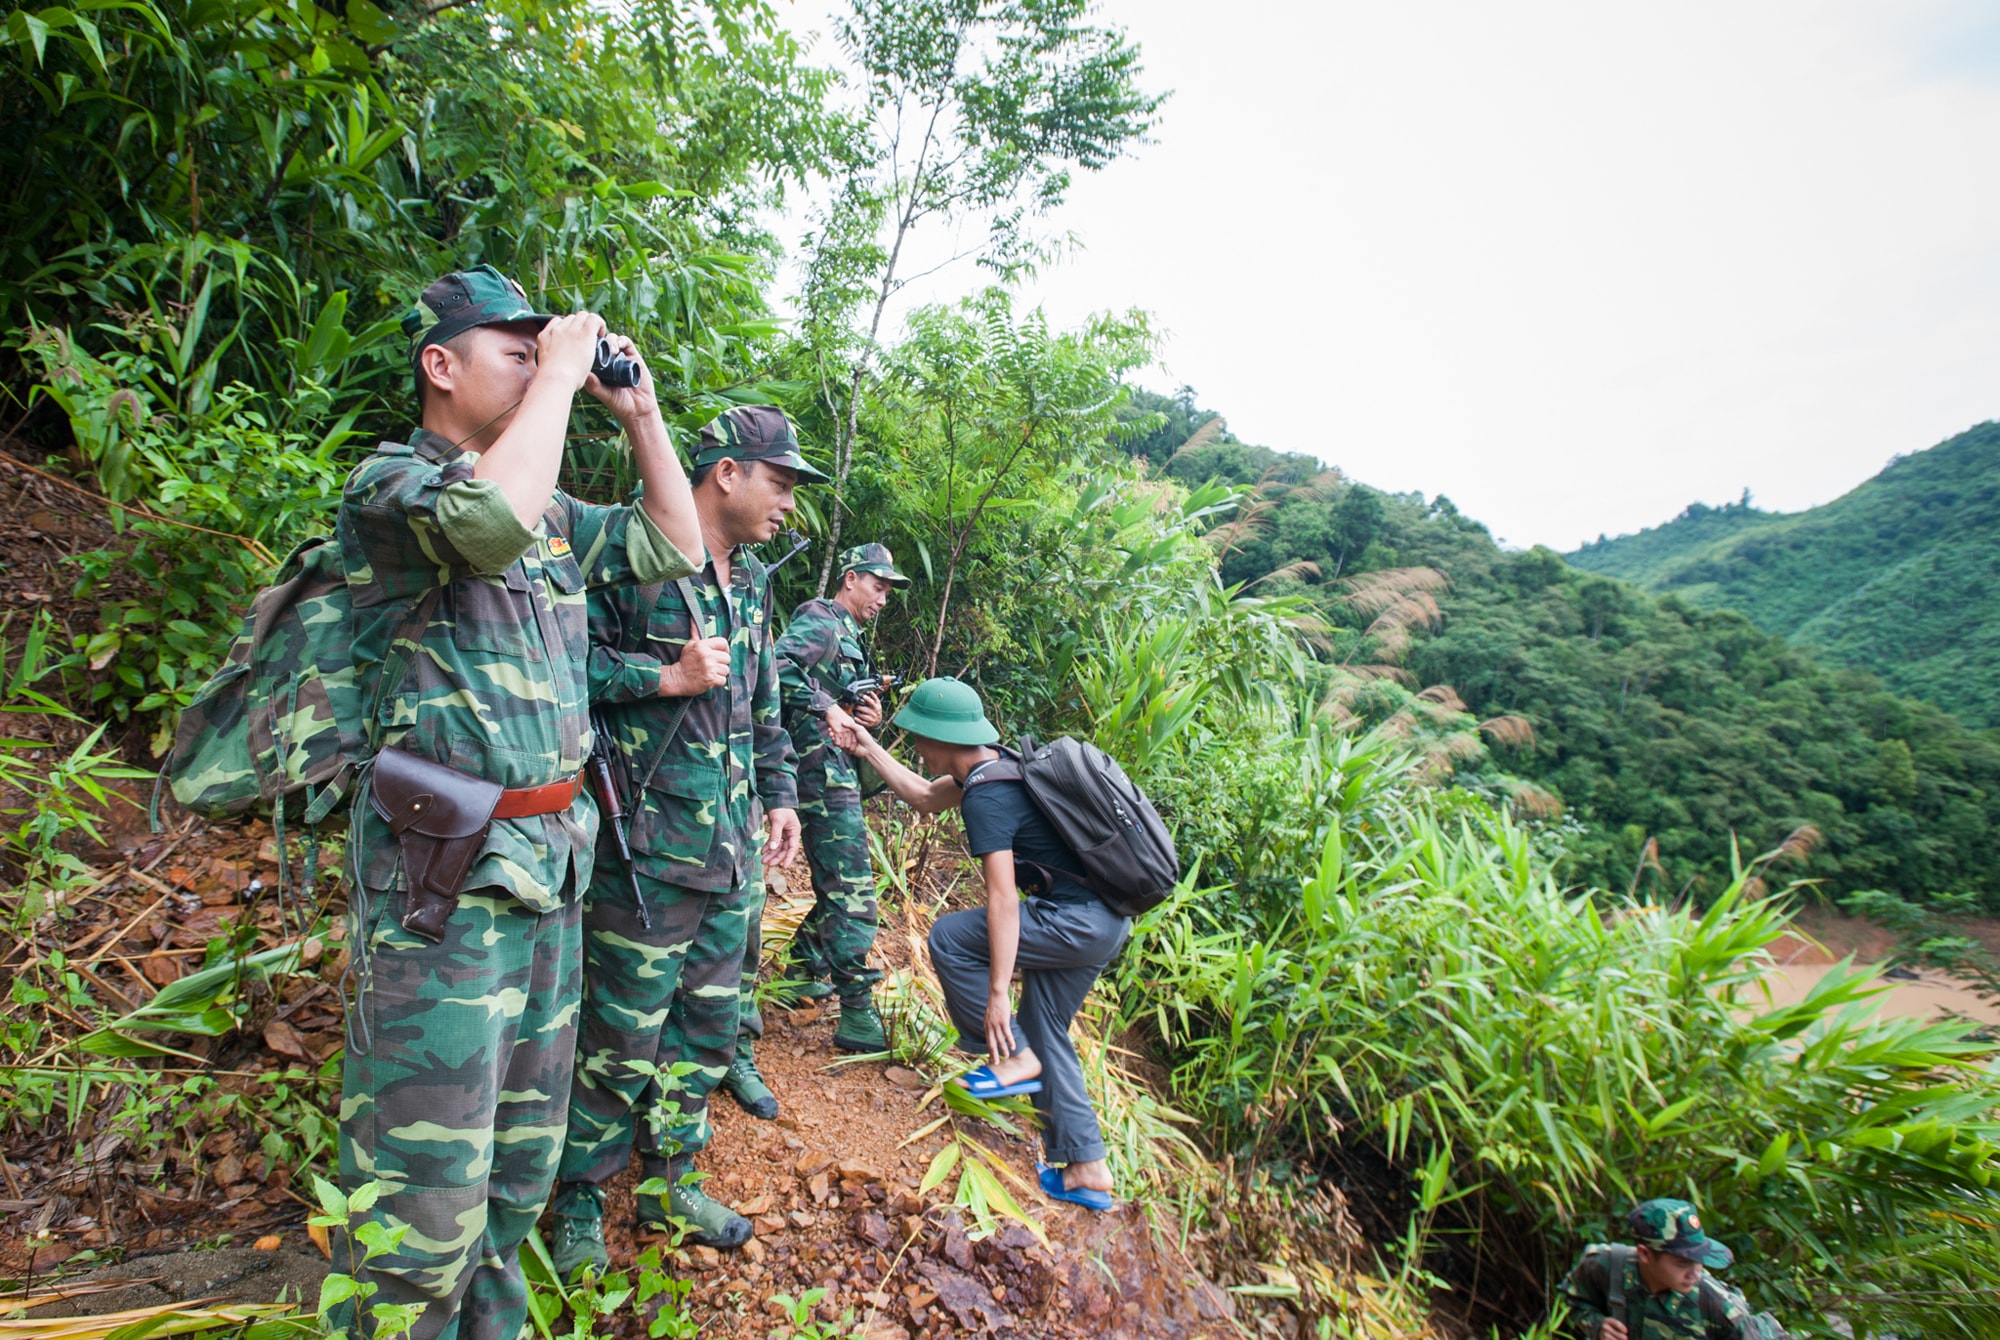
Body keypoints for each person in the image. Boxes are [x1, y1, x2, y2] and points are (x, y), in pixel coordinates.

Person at [335, 265, 702, 1340]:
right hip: (443, 882)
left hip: (548, 868)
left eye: (543, 350)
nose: (541, 365)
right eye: (515, 346)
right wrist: (563, 371)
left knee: (512, 1176)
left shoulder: (547, 520)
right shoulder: (393, 488)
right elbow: (486, 518)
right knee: (422, 1187)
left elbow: (674, 547)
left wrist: (639, 413)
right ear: (438, 365)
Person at [548, 405, 819, 1274]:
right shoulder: (628, 560)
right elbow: (554, 670)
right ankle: (581, 1195)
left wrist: (779, 797)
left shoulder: (754, 582)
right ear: (727, 473)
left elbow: (763, 703)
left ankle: (670, 1180)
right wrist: (661, 677)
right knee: (619, 1033)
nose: (787, 503)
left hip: (730, 850)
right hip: (647, 850)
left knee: (702, 1027)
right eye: (779, 483)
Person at [826, 678, 1126, 1212]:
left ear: (938, 736)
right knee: (1045, 1030)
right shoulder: (995, 766)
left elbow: (1003, 900)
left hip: (1074, 921)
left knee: (952, 938)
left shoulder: (987, 795)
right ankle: (1087, 1168)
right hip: (1104, 919)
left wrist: (996, 995)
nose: (915, 746)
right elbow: (921, 797)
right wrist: (865, 744)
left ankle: (1013, 1061)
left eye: (917, 736)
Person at [765, 542, 912, 1053]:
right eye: (878, 585)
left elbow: (829, 694)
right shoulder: (821, 619)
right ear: (850, 578)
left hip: (834, 770)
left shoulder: (848, 635)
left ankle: (805, 972)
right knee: (853, 888)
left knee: (841, 884)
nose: (883, 598)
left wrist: (862, 716)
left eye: (889, 591)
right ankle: (856, 1012)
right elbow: (775, 665)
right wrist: (827, 706)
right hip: (813, 772)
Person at [1557, 1198, 1789, 1339]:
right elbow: (1572, 1301)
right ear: (1645, 1254)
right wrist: (1597, 1326)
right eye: (1682, 1263)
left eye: (1698, 1260)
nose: (1695, 1272)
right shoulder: (1604, 1267)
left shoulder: (1716, 1303)